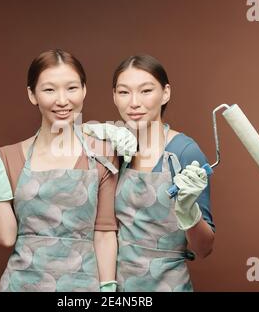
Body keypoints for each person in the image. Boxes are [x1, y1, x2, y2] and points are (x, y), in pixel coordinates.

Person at [0, 49, 120, 292]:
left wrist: (107, 287)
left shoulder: (102, 155)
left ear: (84, 90)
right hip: (20, 284)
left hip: (81, 288)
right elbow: (5, 237)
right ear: (32, 94)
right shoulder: (7, 157)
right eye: (49, 90)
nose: (62, 100)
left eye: (71, 88)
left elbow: (104, 234)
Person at [84, 54, 215, 292]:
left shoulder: (184, 152)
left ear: (165, 93)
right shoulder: (115, 149)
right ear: (114, 96)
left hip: (169, 285)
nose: (134, 102)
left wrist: (189, 212)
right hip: (115, 286)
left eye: (146, 91)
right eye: (124, 92)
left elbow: (204, 249)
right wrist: (90, 129)